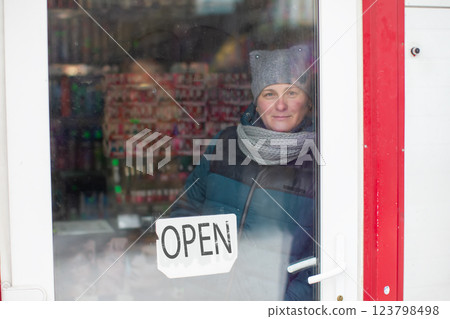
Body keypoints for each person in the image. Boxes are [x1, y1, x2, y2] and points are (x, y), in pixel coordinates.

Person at [170, 45, 316, 301]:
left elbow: (330, 250)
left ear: (308, 102)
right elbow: (185, 208)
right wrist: (193, 279)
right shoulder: (225, 144)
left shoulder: (320, 162)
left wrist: (287, 303)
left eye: (292, 92)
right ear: (257, 103)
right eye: (269, 94)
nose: (280, 105)